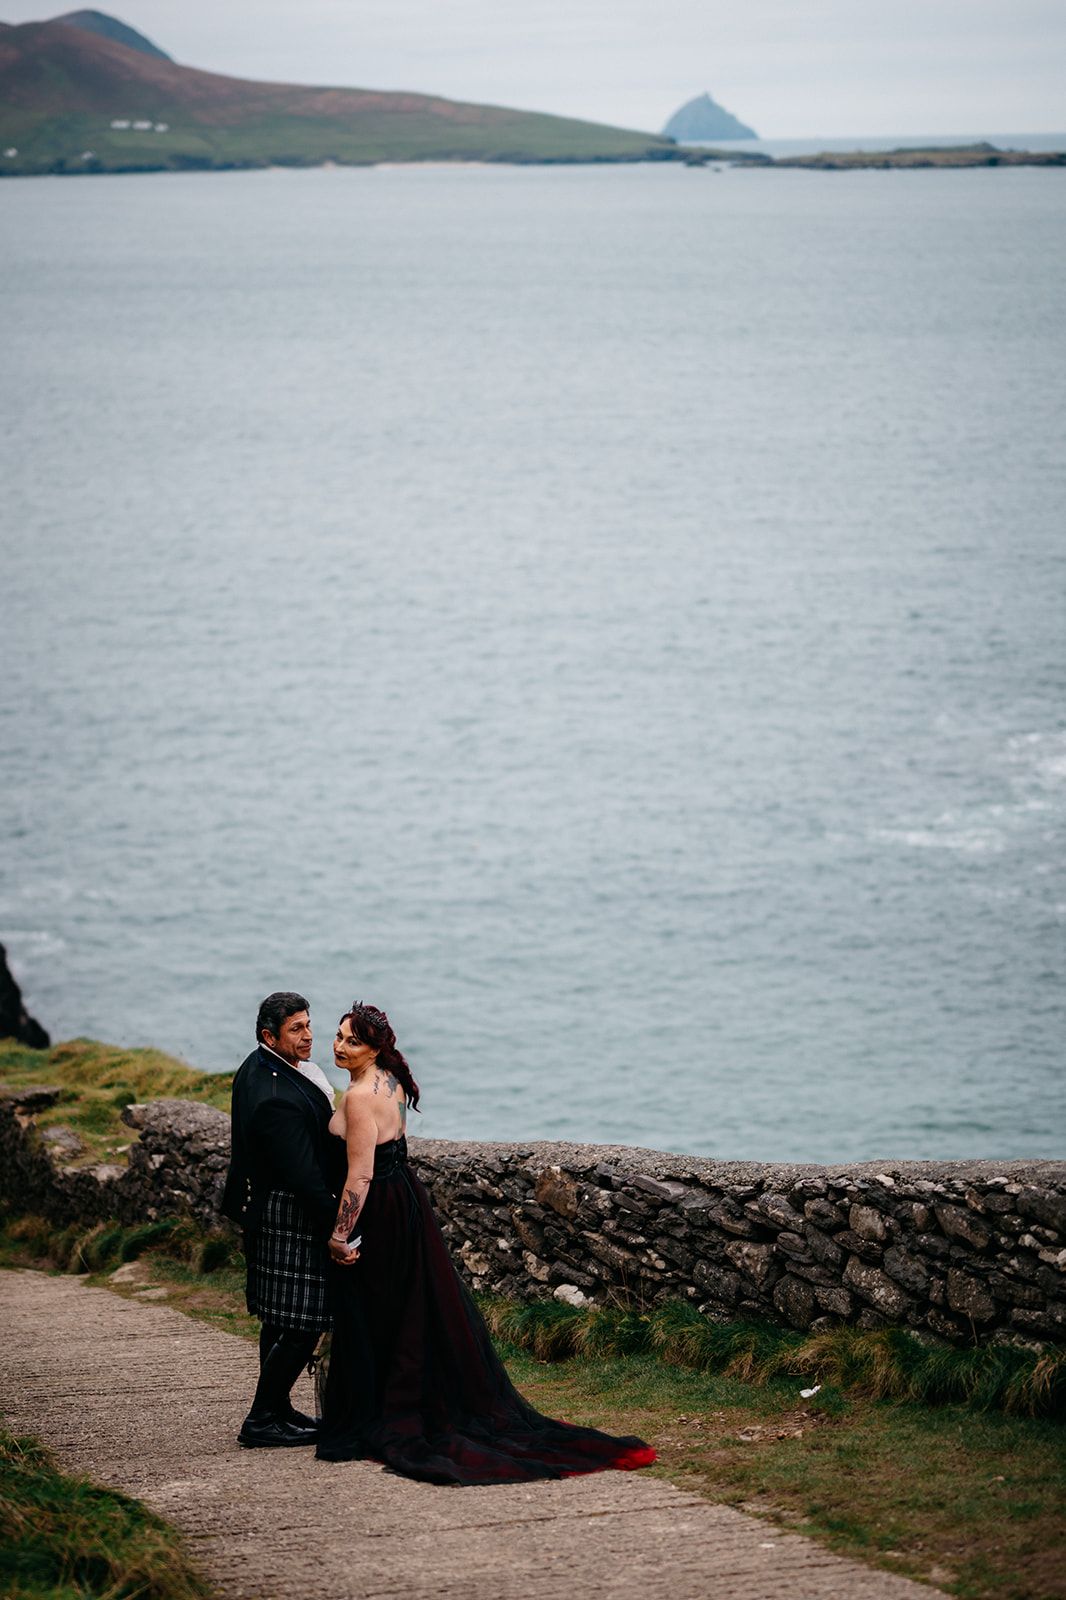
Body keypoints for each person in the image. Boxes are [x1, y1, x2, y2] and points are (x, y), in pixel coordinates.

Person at [315, 1001, 656, 1485]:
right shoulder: (386, 1080)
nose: (338, 1045)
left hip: (380, 1208)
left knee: (378, 1308)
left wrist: (339, 1234)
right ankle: (395, 1398)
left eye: (352, 1040)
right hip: (405, 1200)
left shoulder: (359, 1097)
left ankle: (384, 1408)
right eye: (339, 1035)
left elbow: (361, 1172)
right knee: (406, 1308)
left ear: (375, 1048)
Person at [221, 991, 344, 1448]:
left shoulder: (263, 1066)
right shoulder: (275, 1095)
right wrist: (339, 1227)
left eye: (309, 1024)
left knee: (278, 1317)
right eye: (296, 1029)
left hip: (268, 1203)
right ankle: (259, 1419)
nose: (309, 1035)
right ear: (269, 1035)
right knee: (305, 1318)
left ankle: (277, 1408)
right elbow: (304, 1175)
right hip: (286, 1210)